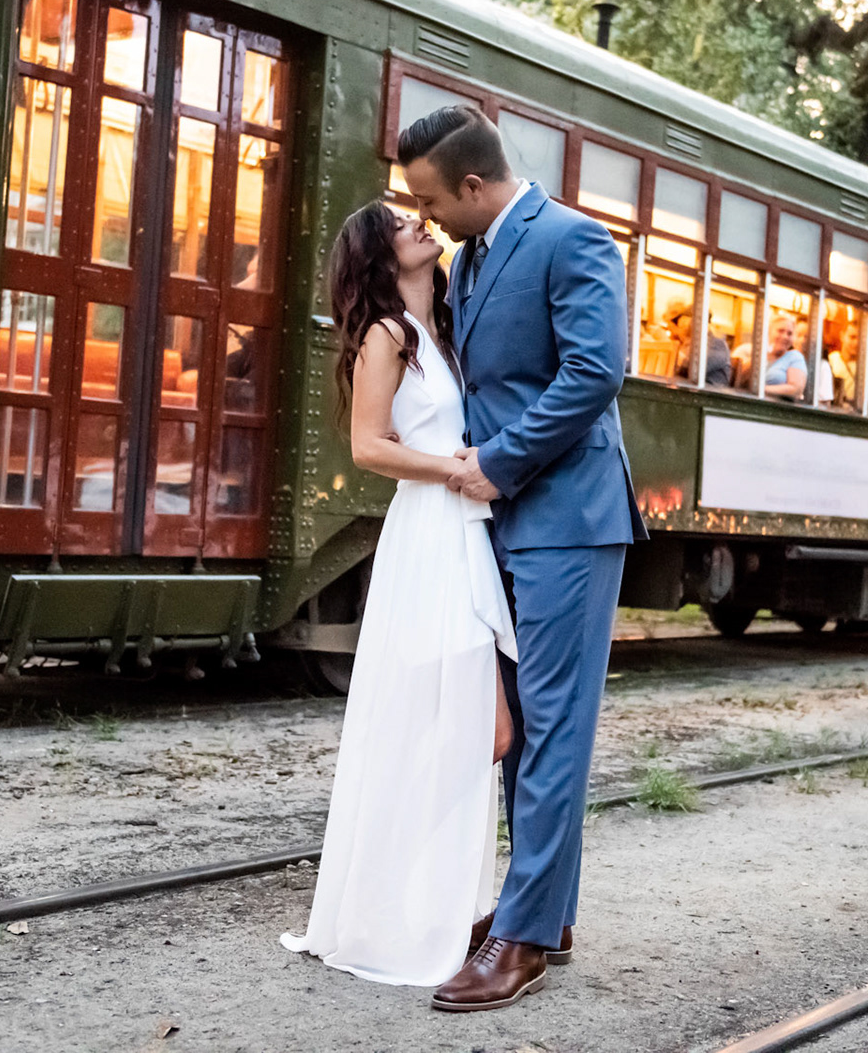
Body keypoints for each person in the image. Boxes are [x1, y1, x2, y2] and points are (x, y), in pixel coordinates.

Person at [401, 103, 645, 1012]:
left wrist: (496, 465)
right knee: (510, 725)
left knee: (550, 729)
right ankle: (546, 907)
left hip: (569, 521)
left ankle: (525, 938)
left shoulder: (575, 240)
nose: (424, 216)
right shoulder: (467, 257)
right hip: (499, 525)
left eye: (431, 199)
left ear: (474, 185)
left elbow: (594, 373)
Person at [280, 200, 517, 986]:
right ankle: (400, 908)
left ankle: (428, 903)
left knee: (475, 729)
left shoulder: (443, 332)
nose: (420, 223)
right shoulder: (389, 336)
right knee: (454, 726)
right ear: (379, 253)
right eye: (399, 222)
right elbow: (368, 445)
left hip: (457, 528)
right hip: (430, 531)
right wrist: (456, 467)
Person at [662, 298, 732, 387]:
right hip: (690, 390)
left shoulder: (717, 344)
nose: (679, 326)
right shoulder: (688, 343)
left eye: (682, 323)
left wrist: (676, 357)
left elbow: (697, 368)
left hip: (709, 393)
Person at [761, 315, 807, 400]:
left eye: (789, 333)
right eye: (780, 331)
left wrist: (761, 389)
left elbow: (795, 390)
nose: (785, 336)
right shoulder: (760, 355)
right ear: (769, 332)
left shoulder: (795, 357)